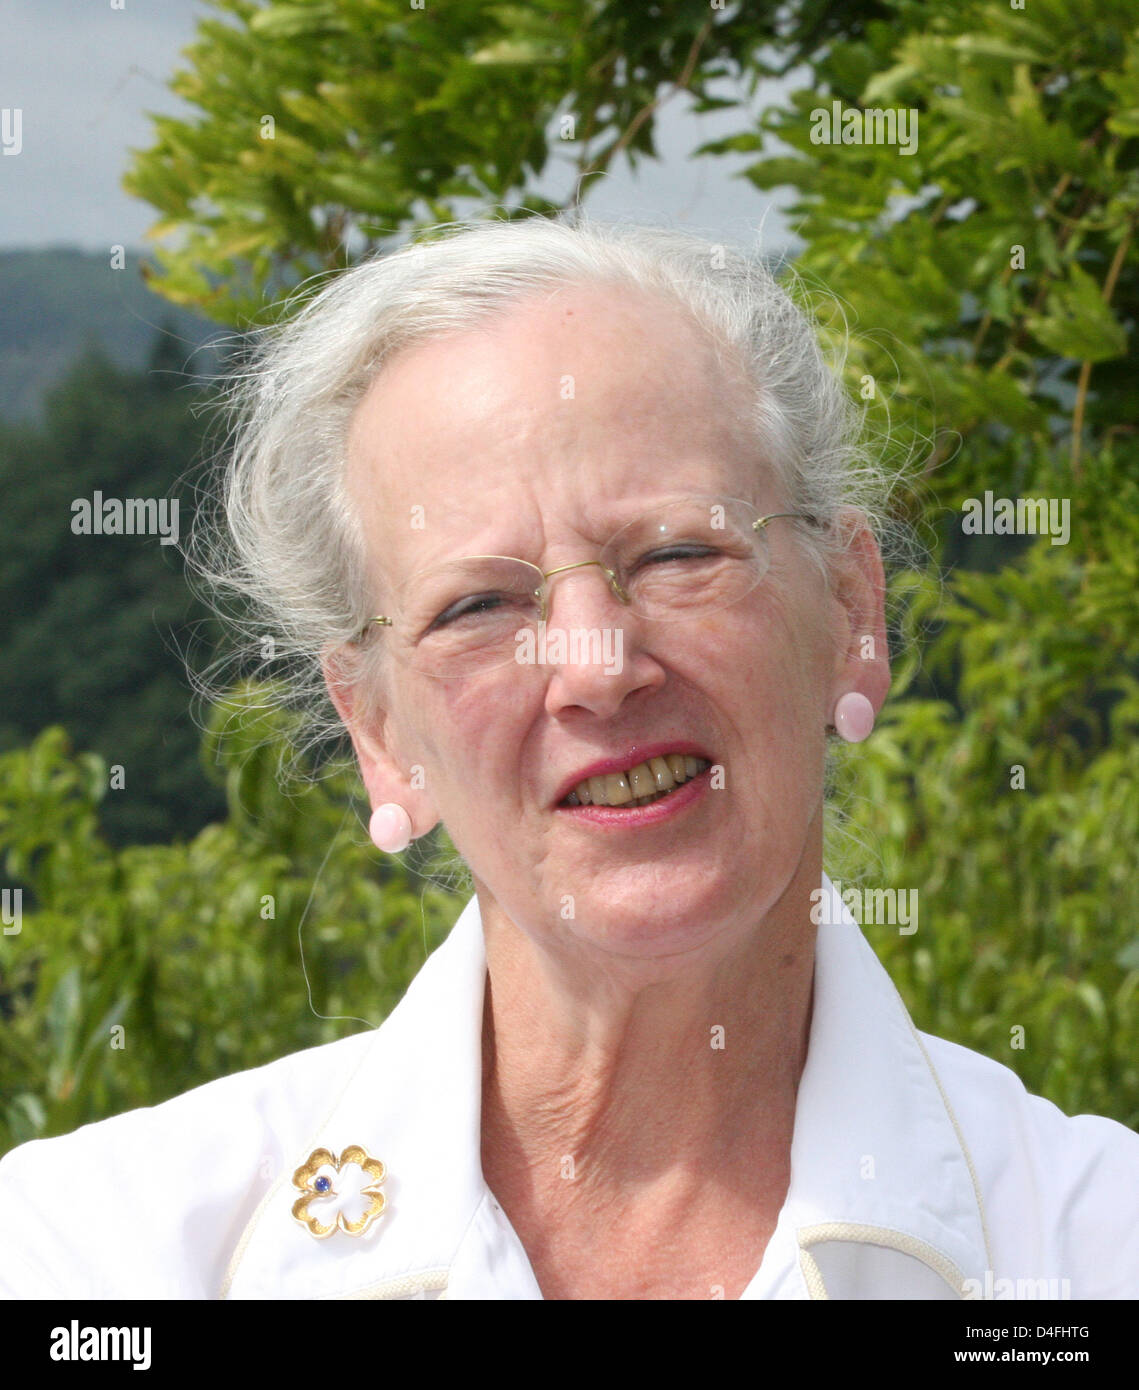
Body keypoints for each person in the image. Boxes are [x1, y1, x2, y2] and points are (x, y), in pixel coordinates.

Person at [1, 216, 1135, 1300]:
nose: (596, 664)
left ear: (848, 611)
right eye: (478, 604)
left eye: (679, 550)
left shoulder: (1091, 1247)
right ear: (380, 735)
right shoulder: (99, 1252)